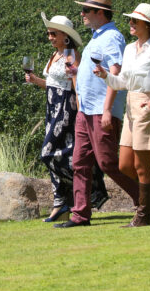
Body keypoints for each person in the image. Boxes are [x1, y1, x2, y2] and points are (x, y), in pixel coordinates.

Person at [55, 0, 140, 228]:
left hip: (100, 111)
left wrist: (106, 110)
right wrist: (76, 72)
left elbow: (115, 71)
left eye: (86, 10)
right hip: (86, 111)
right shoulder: (96, 36)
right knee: (80, 163)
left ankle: (147, 198)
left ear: (100, 13)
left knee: (108, 163)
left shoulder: (112, 37)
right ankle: (80, 215)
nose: (81, 14)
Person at [93, 3, 150, 226]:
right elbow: (123, 82)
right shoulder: (130, 49)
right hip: (131, 105)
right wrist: (105, 76)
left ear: (147, 25)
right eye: (130, 20)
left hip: (147, 105)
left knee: (142, 167)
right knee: (124, 166)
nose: (130, 24)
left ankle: (143, 216)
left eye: (135, 21)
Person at [25, 13, 109, 222]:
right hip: (51, 107)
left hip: (65, 108)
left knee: (48, 153)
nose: (50, 37)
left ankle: (83, 190)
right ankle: (60, 202)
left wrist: (81, 110)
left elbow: (75, 84)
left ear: (66, 36)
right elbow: (53, 84)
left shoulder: (70, 55)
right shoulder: (55, 55)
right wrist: (36, 80)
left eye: (54, 33)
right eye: (48, 33)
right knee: (58, 154)